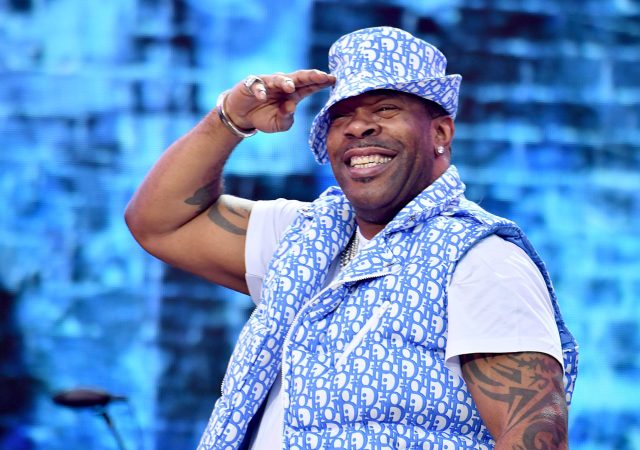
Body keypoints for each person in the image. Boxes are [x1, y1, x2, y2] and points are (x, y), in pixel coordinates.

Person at [125, 26, 578, 450]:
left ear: (440, 133)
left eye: (385, 109)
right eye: (341, 115)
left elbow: (534, 437)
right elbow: (159, 222)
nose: (359, 127)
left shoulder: (482, 261)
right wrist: (230, 118)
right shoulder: (304, 239)